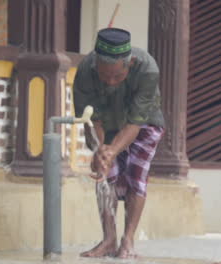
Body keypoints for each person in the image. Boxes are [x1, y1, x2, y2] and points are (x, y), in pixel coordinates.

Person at [73, 28, 165, 259]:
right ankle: (109, 240)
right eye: (105, 76)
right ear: (96, 66)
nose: (111, 82)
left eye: (117, 76)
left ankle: (128, 241)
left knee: (136, 175)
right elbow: (90, 118)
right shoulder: (85, 71)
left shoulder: (147, 69)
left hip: (143, 123)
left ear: (130, 63)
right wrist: (101, 151)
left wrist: (112, 150)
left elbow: (135, 122)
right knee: (106, 174)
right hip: (107, 123)